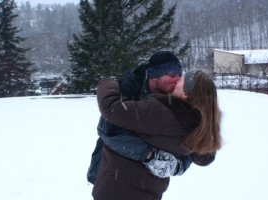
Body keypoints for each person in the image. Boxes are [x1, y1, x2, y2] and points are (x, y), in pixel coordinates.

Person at [92, 69, 222, 200]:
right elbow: (204, 158)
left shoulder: (163, 112)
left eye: (180, 80)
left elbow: (112, 108)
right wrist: (178, 165)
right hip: (148, 192)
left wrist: (107, 81)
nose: (176, 80)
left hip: (117, 191)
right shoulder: (199, 125)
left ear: (184, 93)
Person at [87, 51, 192, 185]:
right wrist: (149, 155)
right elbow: (108, 131)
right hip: (110, 173)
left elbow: (190, 137)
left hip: (147, 184)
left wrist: (180, 165)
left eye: (179, 74)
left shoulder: (176, 97)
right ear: (154, 77)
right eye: (172, 75)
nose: (178, 80)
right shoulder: (129, 89)